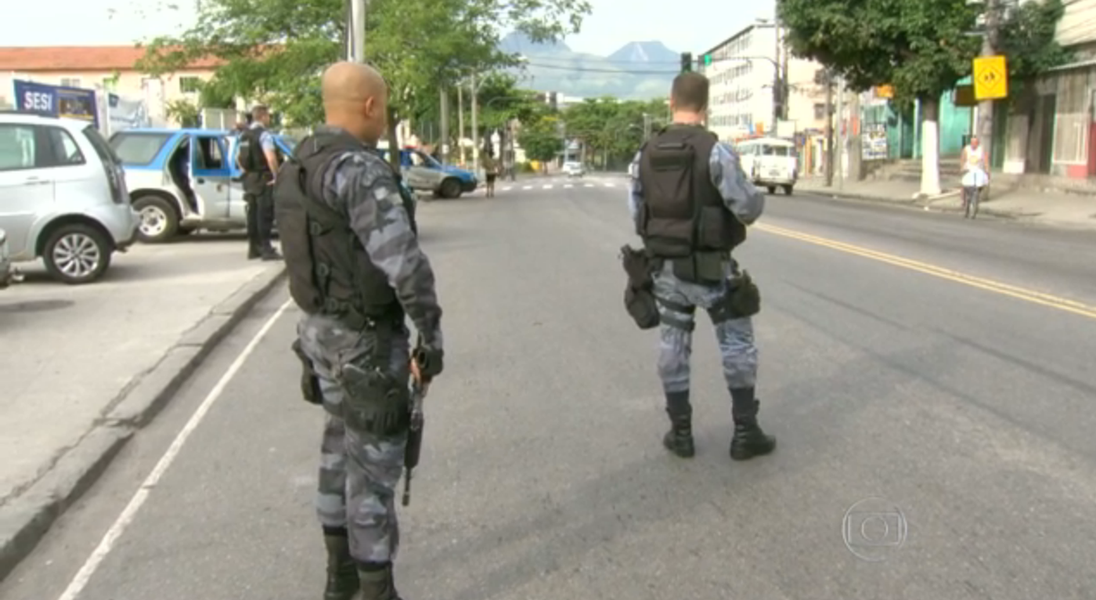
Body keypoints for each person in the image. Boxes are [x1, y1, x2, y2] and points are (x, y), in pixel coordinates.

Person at [273, 62, 444, 600]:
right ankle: (376, 589)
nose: (385, 116)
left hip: (318, 333)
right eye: (385, 107)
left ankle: (339, 579)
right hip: (367, 340)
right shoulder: (359, 169)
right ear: (370, 105)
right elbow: (403, 264)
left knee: (336, 449)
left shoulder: (298, 164)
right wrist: (430, 335)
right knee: (371, 472)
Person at [627, 71, 776, 461]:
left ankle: (680, 433)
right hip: (712, 269)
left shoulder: (645, 153)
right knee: (737, 341)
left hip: (666, 271)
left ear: (670, 102)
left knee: (673, 343)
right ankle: (745, 431)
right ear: (706, 108)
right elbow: (747, 207)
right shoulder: (717, 152)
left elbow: (635, 211)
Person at [237, 104, 282, 260]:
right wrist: (277, 176)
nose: (269, 118)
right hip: (264, 179)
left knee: (252, 214)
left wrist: (247, 172)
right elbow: (270, 158)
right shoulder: (264, 135)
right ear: (263, 117)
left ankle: (253, 248)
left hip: (249, 180)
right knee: (264, 215)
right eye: (268, 116)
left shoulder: (244, 135)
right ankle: (266, 249)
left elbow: (238, 158)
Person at [960, 135, 989, 219]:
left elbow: (986, 161)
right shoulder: (966, 149)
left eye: (975, 142)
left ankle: (976, 200)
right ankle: (963, 201)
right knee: (963, 184)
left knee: (983, 182)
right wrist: (962, 168)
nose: (973, 144)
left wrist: (987, 170)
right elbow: (962, 159)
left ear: (978, 143)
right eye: (972, 142)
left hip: (978, 171)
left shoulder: (981, 150)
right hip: (969, 171)